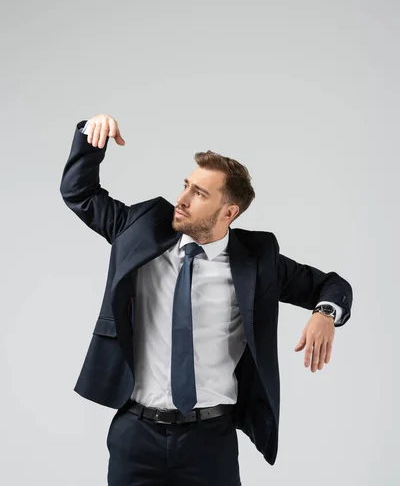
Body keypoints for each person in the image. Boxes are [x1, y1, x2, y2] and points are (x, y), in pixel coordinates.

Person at [60, 113, 353, 486]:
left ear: (229, 212)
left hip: (210, 440)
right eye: (186, 185)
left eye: (199, 193)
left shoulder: (255, 262)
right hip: (136, 433)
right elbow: (79, 193)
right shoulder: (140, 228)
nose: (181, 200)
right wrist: (92, 134)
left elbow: (331, 284)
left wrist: (325, 313)